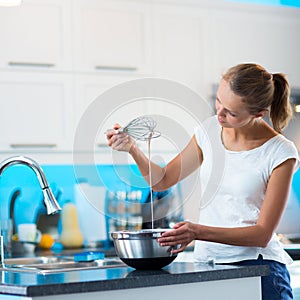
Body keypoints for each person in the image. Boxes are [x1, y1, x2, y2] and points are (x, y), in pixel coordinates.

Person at [106, 63, 299, 300]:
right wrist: (132, 149)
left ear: (258, 114)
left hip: (259, 270)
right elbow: (163, 180)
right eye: (218, 101)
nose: (219, 114)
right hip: (209, 265)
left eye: (231, 112)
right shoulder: (208, 130)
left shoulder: (280, 152)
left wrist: (197, 231)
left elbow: (261, 234)